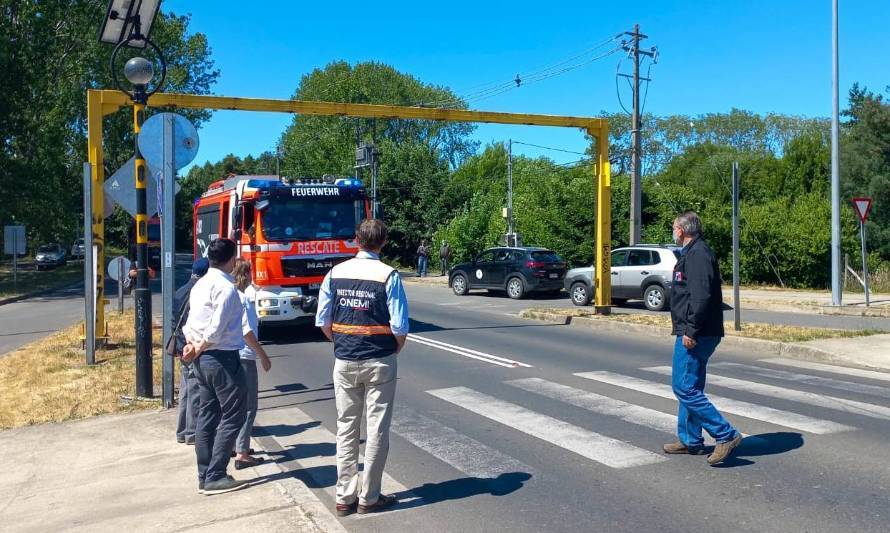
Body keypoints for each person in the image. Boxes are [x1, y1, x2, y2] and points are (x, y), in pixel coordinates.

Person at [316, 219, 409, 516]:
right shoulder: (389, 276)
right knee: (377, 429)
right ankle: (369, 497)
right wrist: (393, 349)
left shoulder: (335, 273)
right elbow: (400, 326)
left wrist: (342, 342)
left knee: (346, 429)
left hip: (344, 359)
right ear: (383, 243)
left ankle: (344, 497)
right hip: (380, 359)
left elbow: (323, 322)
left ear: (356, 239)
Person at [663, 211, 742, 466]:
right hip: (697, 329)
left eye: (674, 228)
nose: (673, 232)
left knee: (683, 387)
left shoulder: (698, 255)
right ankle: (690, 440)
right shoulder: (693, 252)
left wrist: (691, 331)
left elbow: (701, 296)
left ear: (682, 230)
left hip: (697, 331)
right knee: (691, 386)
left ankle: (726, 434)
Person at [182, 238, 249, 495]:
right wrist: (200, 345)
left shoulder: (199, 285)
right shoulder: (227, 289)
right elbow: (217, 328)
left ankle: (204, 473)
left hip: (201, 359)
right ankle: (217, 473)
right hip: (221, 357)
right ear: (232, 260)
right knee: (235, 414)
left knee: (207, 416)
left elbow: (190, 321)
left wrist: (192, 344)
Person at [231, 258, 272, 470]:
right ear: (244, 275)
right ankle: (242, 452)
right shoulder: (243, 300)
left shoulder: (230, 296)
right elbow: (247, 331)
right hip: (245, 355)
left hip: (230, 354)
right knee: (249, 406)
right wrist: (263, 355)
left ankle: (234, 445)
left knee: (233, 403)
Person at [174, 257, 210, 445]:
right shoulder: (199, 292)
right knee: (195, 390)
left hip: (181, 346)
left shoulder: (180, 291)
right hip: (193, 346)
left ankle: (181, 431)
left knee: (186, 390)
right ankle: (192, 433)